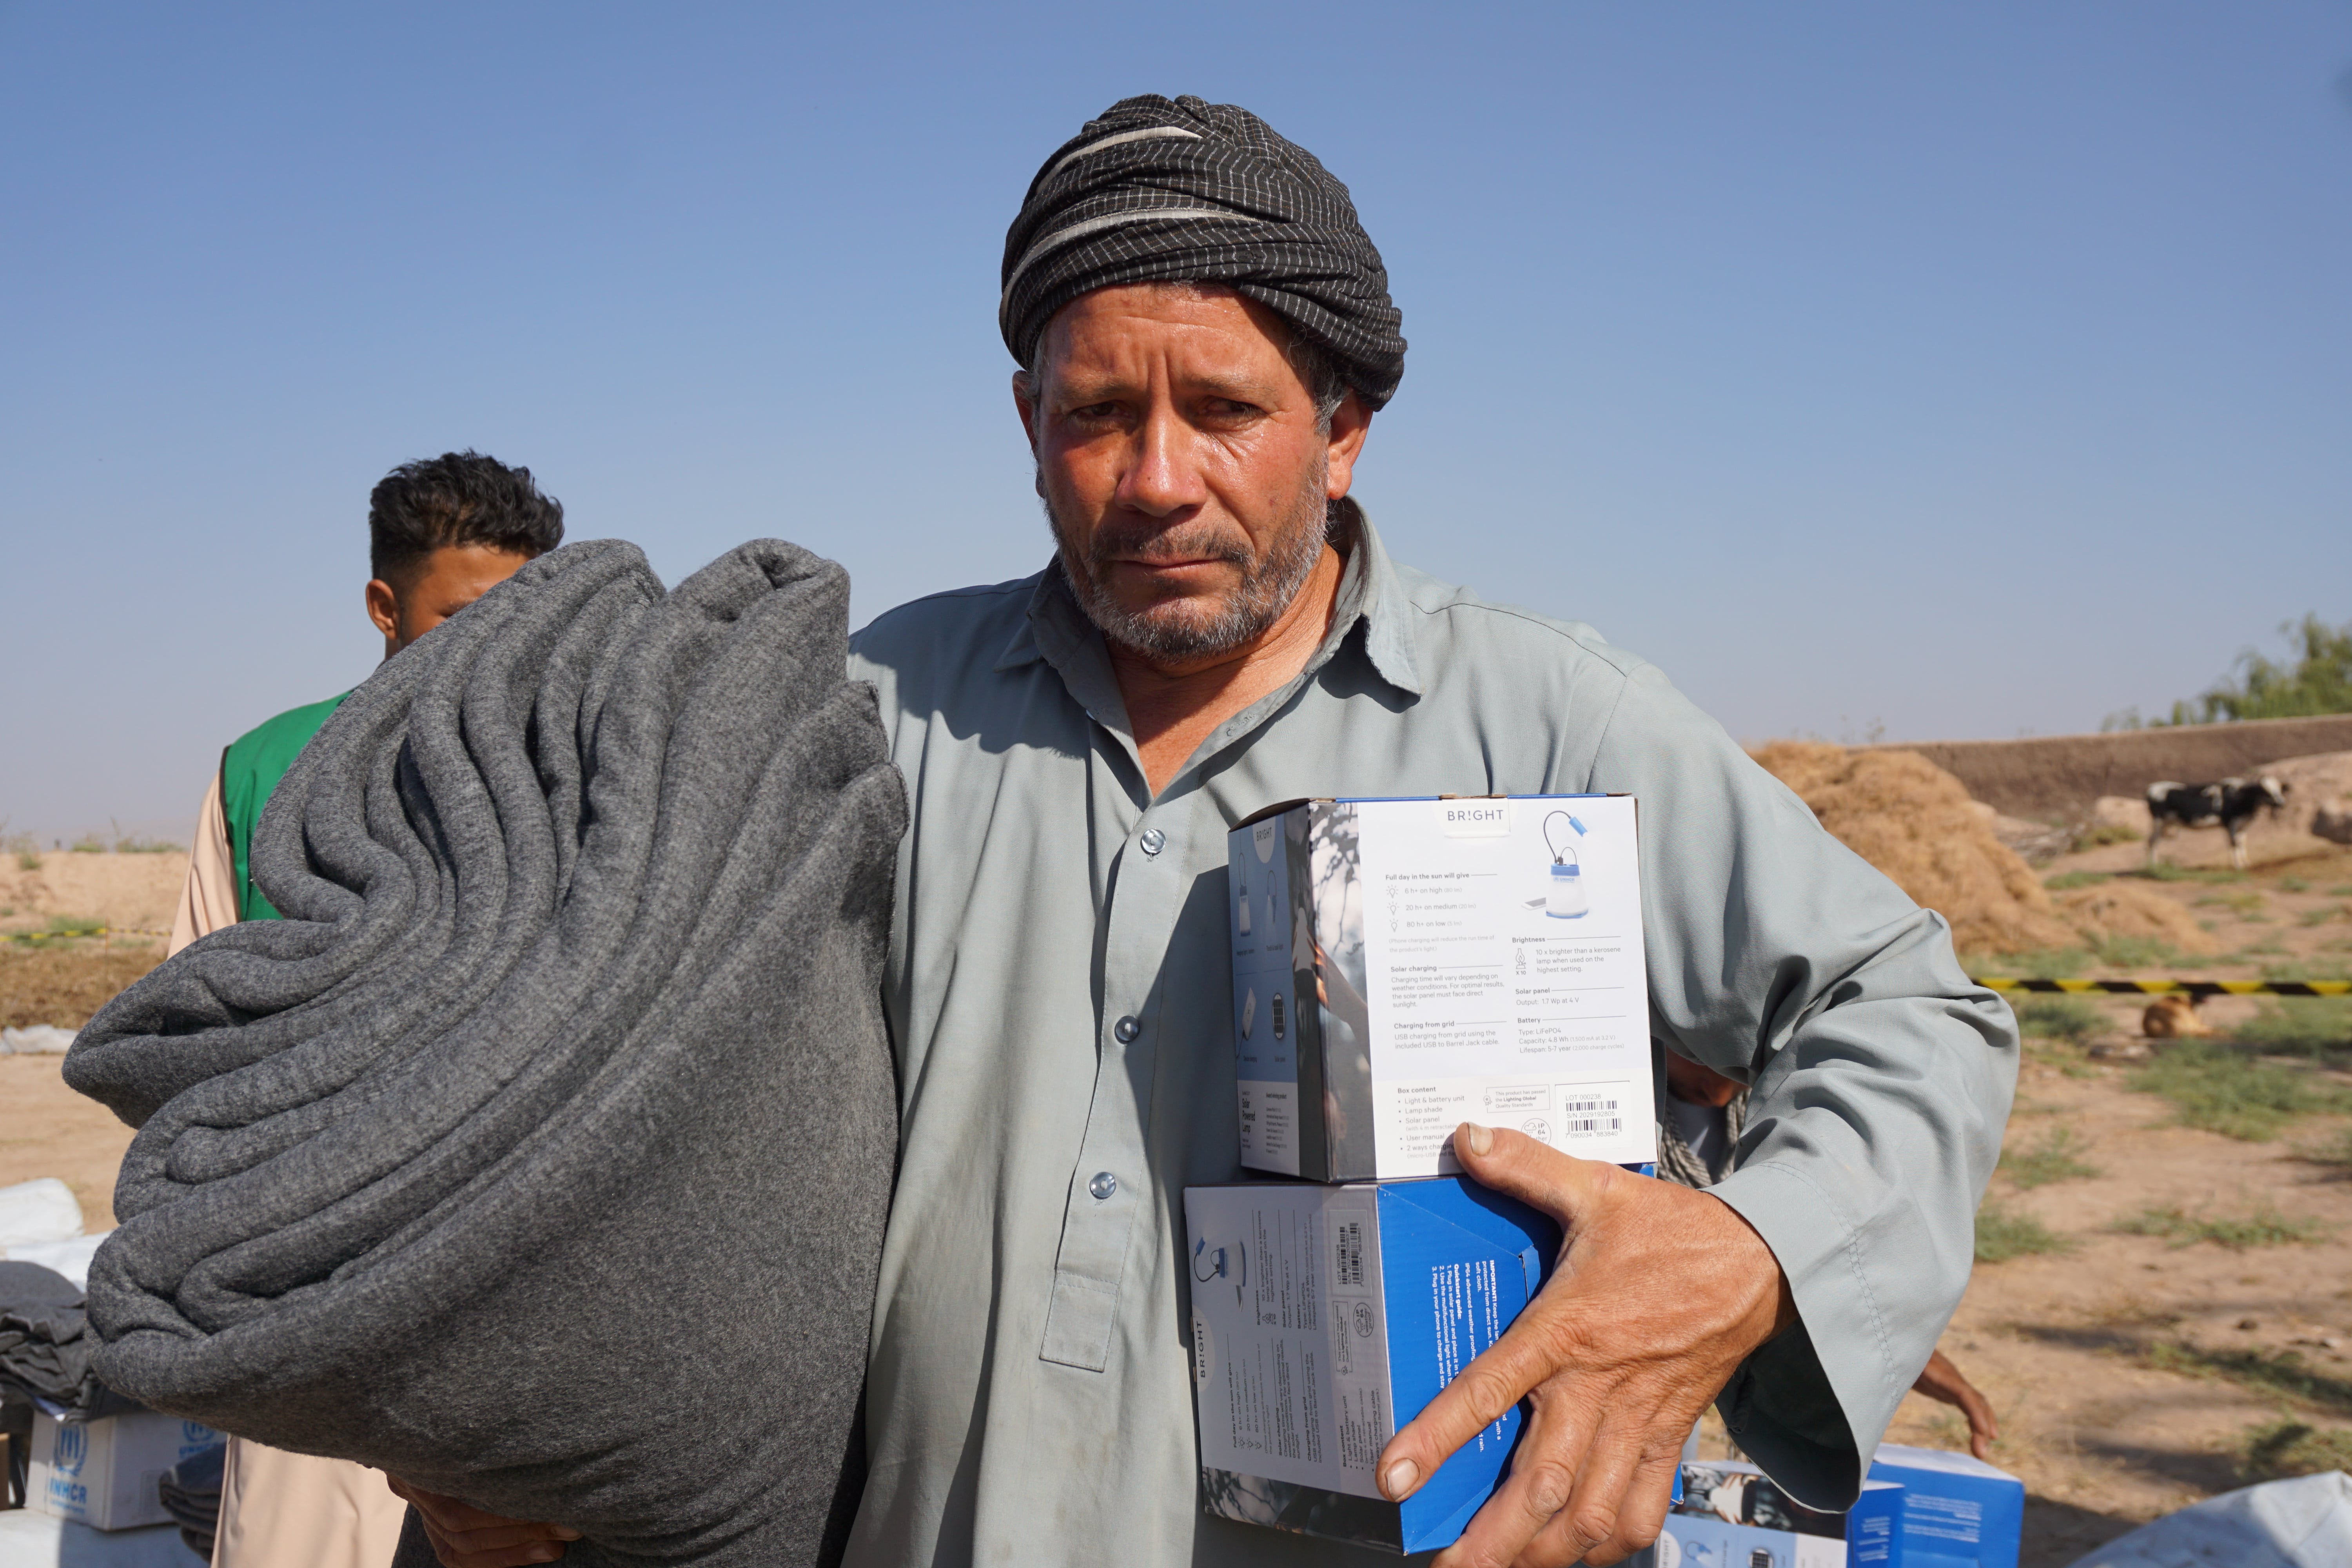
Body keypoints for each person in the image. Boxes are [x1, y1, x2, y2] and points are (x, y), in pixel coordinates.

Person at [402, 95, 2015, 1568]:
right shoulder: (873, 710)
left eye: (1225, 410)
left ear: (1344, 422)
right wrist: (529, 1419)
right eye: (1099, 414)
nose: (1157, 479)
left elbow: (1910, 1009)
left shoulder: (1549, 723)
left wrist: (1740, 1249)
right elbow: (641, 1087)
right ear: (1027, 420)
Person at [165, 451, 564, 1568]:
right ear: (385, 607)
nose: (502, 649)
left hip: (512, 1294)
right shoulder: (265, 775)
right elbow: (188, 1055)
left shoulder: (586, 772)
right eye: (465, 616)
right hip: (305, 1300)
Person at [1657, 1048, 2001, 1462]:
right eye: (1696, 1055)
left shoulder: (1782, 1107)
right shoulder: (1620, 1122)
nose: (1716, 1086)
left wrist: (1901, 1354)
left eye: (1730, 1063)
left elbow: (1802, 1253)